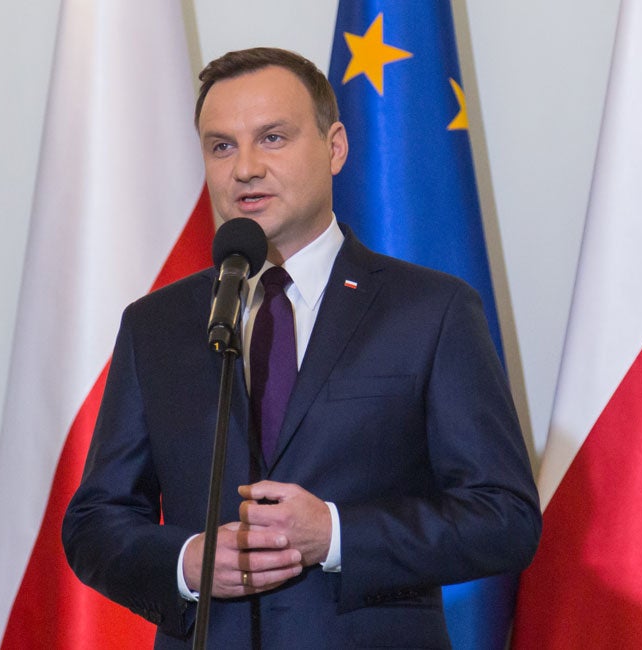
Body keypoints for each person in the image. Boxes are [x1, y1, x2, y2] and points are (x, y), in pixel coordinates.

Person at [63, 47, 540, 650]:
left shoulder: (431, 311)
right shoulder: (156, 324)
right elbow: (95, 522)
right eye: (222, 146)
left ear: (334, 147)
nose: (245, 169)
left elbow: (504, 517)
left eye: (273, 138)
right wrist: (186, 562)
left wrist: (335, 535)